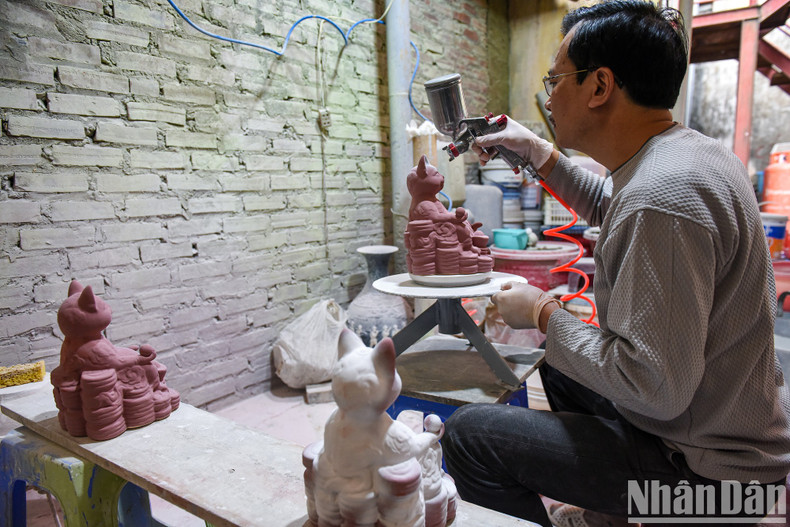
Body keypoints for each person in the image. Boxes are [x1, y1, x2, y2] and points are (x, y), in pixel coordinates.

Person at [440, 1, 790, 526]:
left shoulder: (661, 198)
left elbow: (656, 388)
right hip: (714, 434)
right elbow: (615, 206)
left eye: (555, 78)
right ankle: (609, 518)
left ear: (600, 86)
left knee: (470, 437)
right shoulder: (689, 154)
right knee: (560, 365)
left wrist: (542, 313)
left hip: (715, 492)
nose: (550, 94)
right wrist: (536, 149)